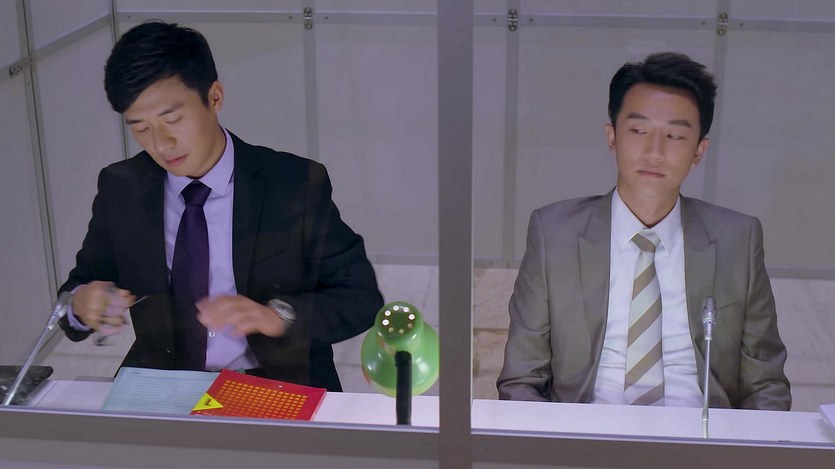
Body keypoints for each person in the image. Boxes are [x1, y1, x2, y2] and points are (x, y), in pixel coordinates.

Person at [58, 20, 383, 392]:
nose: (161, 144)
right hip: (166, 385)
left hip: (274, 381)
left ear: (214, 97)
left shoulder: (292, 184)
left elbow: (360, 297)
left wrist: (276, 316)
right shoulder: (122, 188)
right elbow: (77, 291)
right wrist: (81, 305)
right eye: (140, 128)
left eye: (172, 119)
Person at [497, 52, 790, 410]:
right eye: (638, 131)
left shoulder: (738, 240)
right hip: (585, 432)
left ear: (699, 151)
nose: (654, 152)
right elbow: (521, 381)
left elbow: (766, 385)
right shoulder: (554, 234)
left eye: (675, 135)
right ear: (612, 137)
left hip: (700, 432)